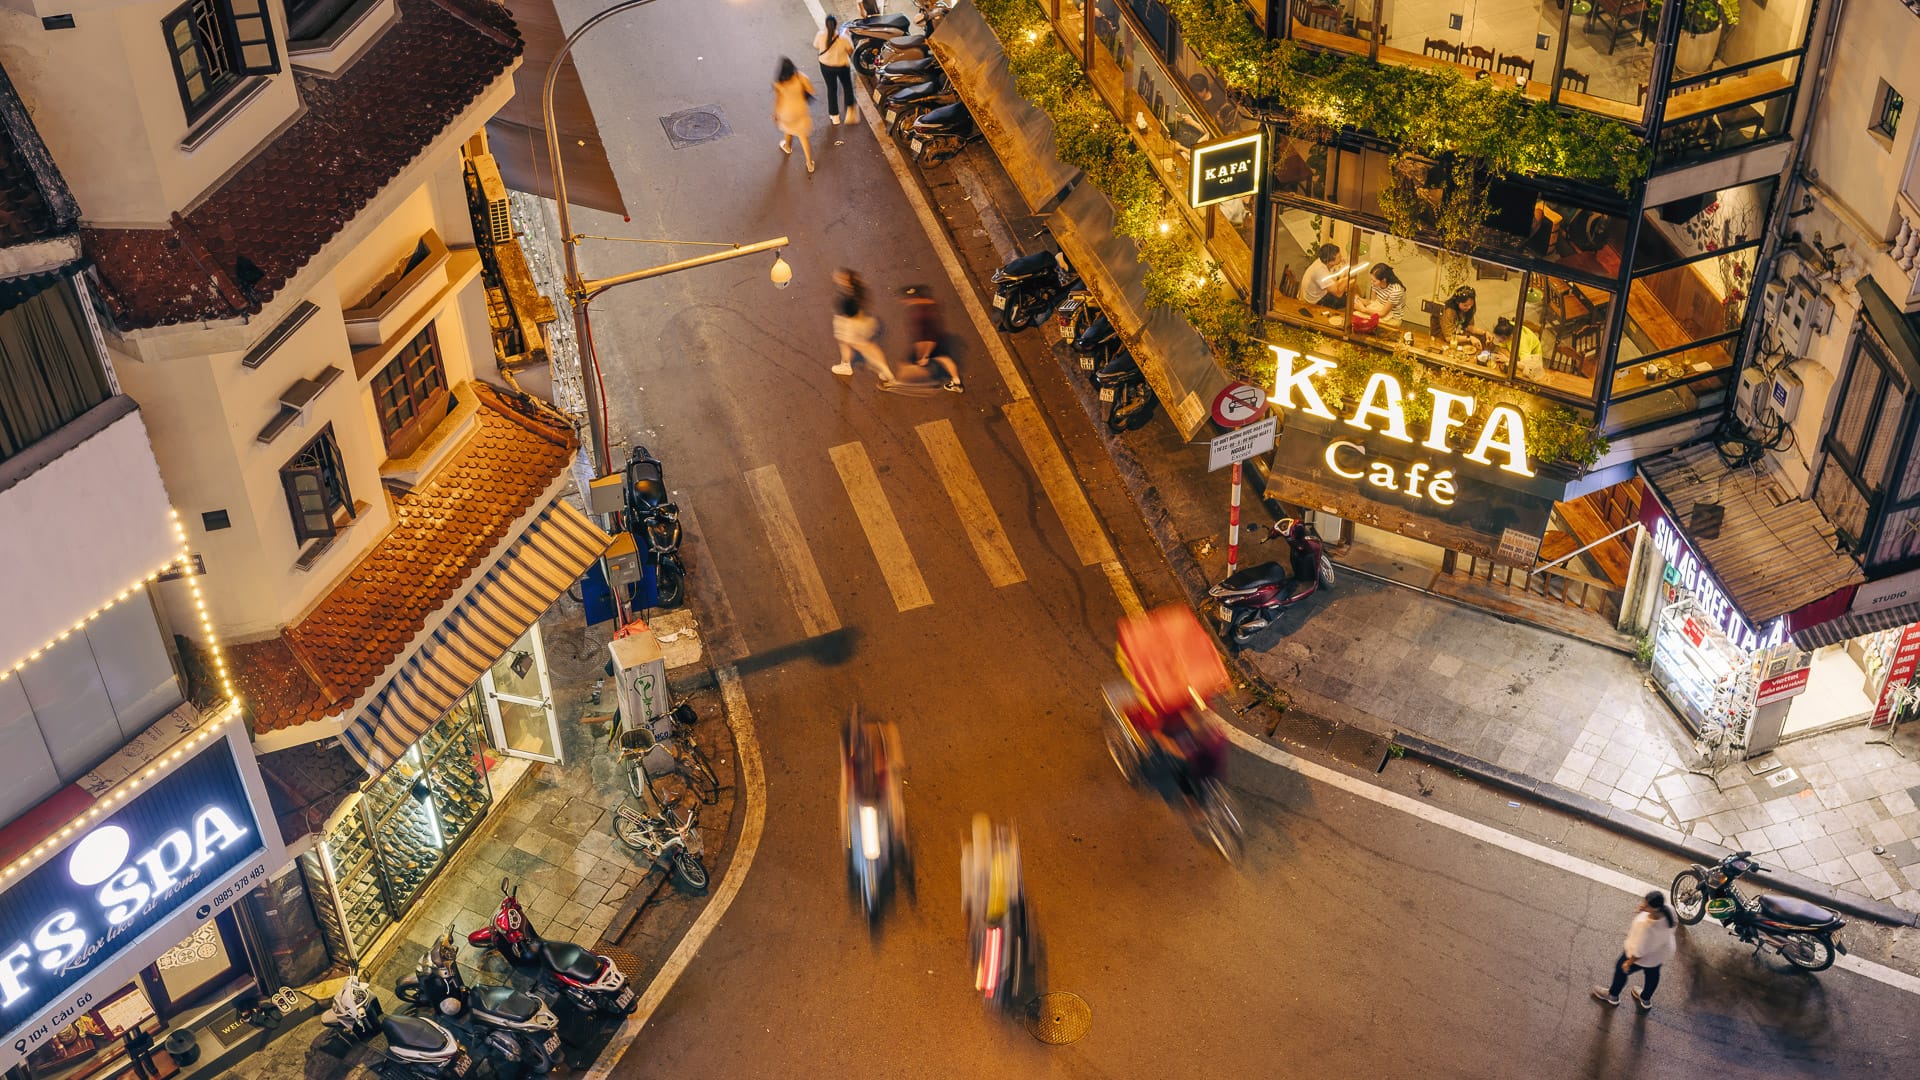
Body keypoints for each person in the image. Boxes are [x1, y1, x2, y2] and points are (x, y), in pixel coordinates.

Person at [1592, 891, 1678, 1011]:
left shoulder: (1646, 927)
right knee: (1653, 975)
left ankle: (1612, 995)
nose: (1643, 904)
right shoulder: (1669, 910)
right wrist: (1645, 911)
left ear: (1654, 908)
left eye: (1646, 904)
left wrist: (1628, 963)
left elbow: (1639, 952)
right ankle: (1645, 998)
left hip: (1642, 957)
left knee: (1620, 969)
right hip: (1659, 953)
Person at [900, 286, 963, 392]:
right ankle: (956, 383)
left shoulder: (919, 313)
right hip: (938, 338)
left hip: (928, 342)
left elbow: (926, 336)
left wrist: (925, 354)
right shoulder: (930, 305)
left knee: (909, 364)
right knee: (945, 359)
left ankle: (905, 382)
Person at [832, 287, 895, 385]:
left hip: (850, 327)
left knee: (846, 344)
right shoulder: (858, 303)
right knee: (870, 347)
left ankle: (845, 366)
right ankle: (885, 371)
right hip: (863, 322)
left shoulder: (844, 317)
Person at [773, 57, 817, 174]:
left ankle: (787, 147)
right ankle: (809, 163)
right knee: (802, 136)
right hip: (800, 111)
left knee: (788, 129)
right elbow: (812, 90)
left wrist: (776, 114)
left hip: (786, 113)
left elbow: (778, 100)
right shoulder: (801, 77)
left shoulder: (778, 83)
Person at [814, 16, 856, 127]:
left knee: (831, 89)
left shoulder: (820, 35)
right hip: (842, 66)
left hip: (826, 66)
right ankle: (850, 113)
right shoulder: (843, 38)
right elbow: (851, 51)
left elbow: (816, 46)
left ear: (826, 25)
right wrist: (848, 36)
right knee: (847, 86)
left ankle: (835, 116)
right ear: (836, 24)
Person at [1300, 243, 1351, 308]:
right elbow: (1338, 293)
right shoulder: (1320, 272)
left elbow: (1335, 283)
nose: (1342, 258)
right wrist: (1349, 273)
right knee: (1349, 300)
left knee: (1348, 292)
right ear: (1330, 262)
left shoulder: (1323, 261)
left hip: (1320, 293)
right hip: (1314, 302)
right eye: (1339, 257)